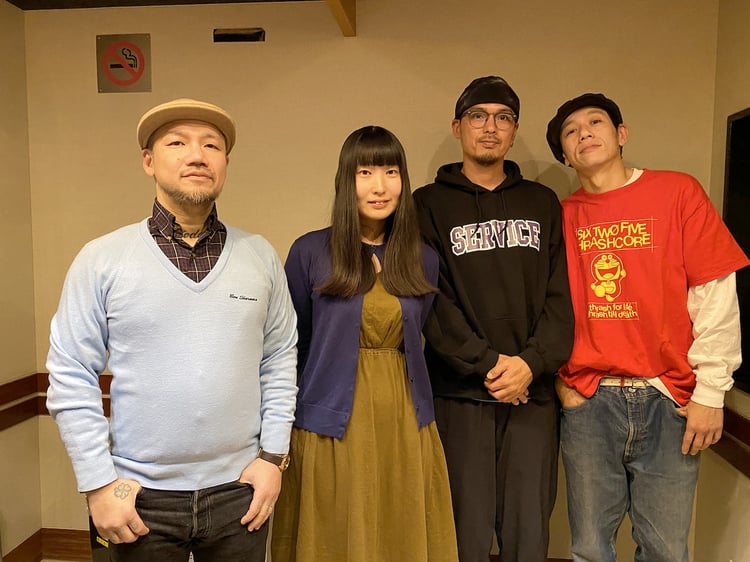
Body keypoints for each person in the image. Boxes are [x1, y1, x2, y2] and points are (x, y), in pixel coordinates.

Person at [46, 98, 298, 562]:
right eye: (178, 143)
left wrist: (272, 460)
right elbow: (70, 374)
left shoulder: (260, 256)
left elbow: (280, 358)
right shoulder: (101, 259)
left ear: (225, 163)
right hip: (136, 496)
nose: (197, 155)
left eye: (212, 146)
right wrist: (98, 483)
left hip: (240, 492)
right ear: (149, 161)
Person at [546, 92, 750, 562]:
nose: (584, 134)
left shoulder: (678, 193)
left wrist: (711, 393)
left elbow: (715, 294)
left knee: (665, 550)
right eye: (571, 132)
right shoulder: (560, 216)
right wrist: (563, 384)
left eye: (595, 123)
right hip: (590, 400)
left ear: (621, 134)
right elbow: (542, 307)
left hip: (669, 398)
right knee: (589, 549)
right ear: (566, 155)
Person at [271, 125, 458, 562]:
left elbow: (420, 337)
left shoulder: (422, 258)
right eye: (365, 173)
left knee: (399, 531)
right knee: (332, 535)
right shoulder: (310, 251)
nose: (379, 187)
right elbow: (289, 346)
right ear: (346, 181)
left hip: (404, 420)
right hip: (329, 423)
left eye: (391, 172)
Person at [413, 76, 575, 562]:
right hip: (460, 395)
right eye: (478, 116)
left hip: (533, 395)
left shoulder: (542, 203)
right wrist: (487, 363)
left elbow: (561, 295)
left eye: (503, 118)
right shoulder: (426, 204)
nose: (490, 127)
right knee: (460, 535)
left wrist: (530, 363)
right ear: (458, 127)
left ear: (514, 130)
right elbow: (430, 299)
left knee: (528, 535)